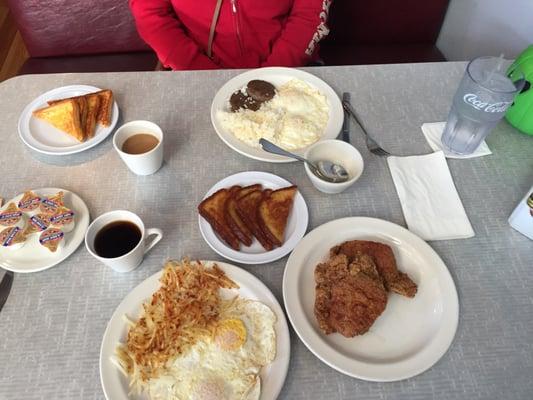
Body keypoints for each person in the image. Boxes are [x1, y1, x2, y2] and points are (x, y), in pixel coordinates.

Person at [129, 0, 332, 70]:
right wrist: (199, 70)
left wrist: (274, 72)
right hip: (196, 71)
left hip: (291, 68)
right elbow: (150, 14)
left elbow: (309, 13)